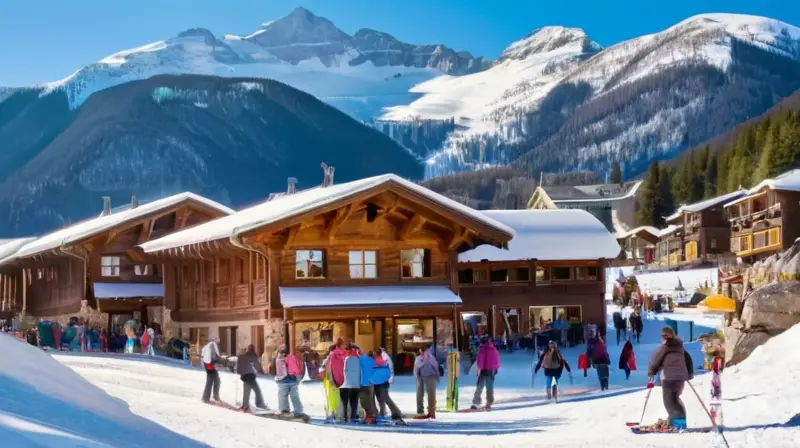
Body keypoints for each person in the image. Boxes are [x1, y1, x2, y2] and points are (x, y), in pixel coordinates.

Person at [647, 326, 693, 431]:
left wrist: (652, 372)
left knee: (670, 401)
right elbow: (688, 359)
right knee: (674, 399)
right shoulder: (679, 347)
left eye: (664, 336)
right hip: (679, 379)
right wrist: (689, 374)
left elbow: (656, 361)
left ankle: (678, 423)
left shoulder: (665, 347)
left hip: (670, 378)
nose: (663, 338)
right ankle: (677, 421)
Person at [372, 350, 404, 424]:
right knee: (382, 398)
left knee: (384, 398)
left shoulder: (377, 361)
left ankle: (396, 412)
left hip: (379, 381)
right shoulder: (385, 359)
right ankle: (383, 412)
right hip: (383, 381)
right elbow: (390, 369)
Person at [275, 345, 305, 418]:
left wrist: (297, 377)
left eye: (284, 352)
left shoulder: (288, 358)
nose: (283, 354)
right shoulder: (280, 359)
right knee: (285, 395)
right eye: (281, 352)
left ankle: (296, 410)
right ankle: (286, 409)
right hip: (286, 381)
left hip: (289, 380)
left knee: (291, 395)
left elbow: (298, 370)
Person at [471, 335, 500, 410]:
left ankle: (475, 402)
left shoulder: (482, 349)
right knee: (489, 387)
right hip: (491, 371)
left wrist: (479, 369)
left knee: (479, 386)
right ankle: (489, 403)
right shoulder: (494, 349)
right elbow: (497, 360)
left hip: (483, 370)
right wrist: (495, 369)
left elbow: (480, 361)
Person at [236, 344, 267, 412]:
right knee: (257, 390)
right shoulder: (252, 354)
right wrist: (262, 371)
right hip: (249, 376)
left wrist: (240, 373)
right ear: (253, 349)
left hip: (243, 376)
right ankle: (260, 404)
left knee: (246, 390)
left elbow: (238, 367)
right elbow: (257, 365)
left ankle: (245, 405)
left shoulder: (242, 355)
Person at [413, 345, 440, 419]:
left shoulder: (431, 358)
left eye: (425, 351)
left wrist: (437, 377)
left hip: (431, 377)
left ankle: (431, 412)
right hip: (421, 377)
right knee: (420, 393)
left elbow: (436, 367)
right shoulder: (419, 358)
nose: (423, 352)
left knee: (431, 394)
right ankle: (420, 411)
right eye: (422, 351)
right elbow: (417, 367)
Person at [339, 343, 362, 422]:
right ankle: (353, 416)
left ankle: (345, 416)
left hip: (346, 383)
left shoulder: (346, 358)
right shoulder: (359, 359)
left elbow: (344, 370)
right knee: (354, 400)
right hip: (356, 383)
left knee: (345, 401)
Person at [357, 348, 378, 424]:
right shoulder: (374, 362)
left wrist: (360, 353)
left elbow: (357, 356)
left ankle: (369, 417)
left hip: (362, 383)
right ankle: (373, 415)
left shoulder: (363, 358)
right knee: (371, 400)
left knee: (364, 402)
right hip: (371, 383)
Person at [201, 338, 222, 403]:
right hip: (211, 366)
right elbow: (214, 357)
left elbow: (202, 356)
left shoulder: (206, 347)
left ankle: (209, 397)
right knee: (213, 382)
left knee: (215, 381)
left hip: (207, 366)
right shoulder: (213, 345)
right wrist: (217, 362)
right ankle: (206, 398)